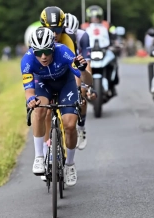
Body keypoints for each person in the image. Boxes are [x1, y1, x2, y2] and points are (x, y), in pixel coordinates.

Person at [21, 27, 93, 186]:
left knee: (69, 125)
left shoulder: (64, 52)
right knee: (39, 110)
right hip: (43, 84)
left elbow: (88, 81)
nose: (44, 56)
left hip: (65, 84)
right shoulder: (27, 60)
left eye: (47, 51)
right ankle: (39, 156)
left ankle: (70, 164)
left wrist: (83, 71)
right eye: (39, 53)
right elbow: (29, 91)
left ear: (53, 47)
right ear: (33, 51)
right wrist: (31, 99)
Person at [64, 13, 96, 150]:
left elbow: (87, 63)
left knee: (81, 92)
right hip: (62, 64)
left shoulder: (83, 36)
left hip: (77, 64)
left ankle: (81, 127)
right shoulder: (57, 36)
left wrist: (88, 86)